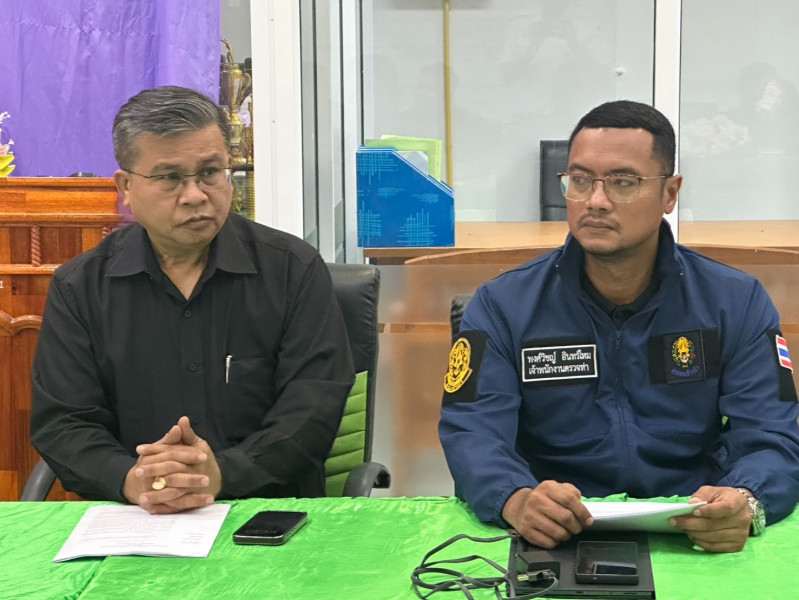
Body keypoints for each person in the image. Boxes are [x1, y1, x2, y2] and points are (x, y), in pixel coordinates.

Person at [439, 100, 799, 553]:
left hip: (693, 526)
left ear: (670, 194)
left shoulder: (735, 301)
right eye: (580, 180)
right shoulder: (503, 305)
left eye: (623, 183)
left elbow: (773, 435)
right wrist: (515, 498)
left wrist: (746, 499)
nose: (595, 200)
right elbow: (472, 432)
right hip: (553, 532)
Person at [30, 85, 354, 514]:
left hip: (266, 513)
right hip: (137, 518)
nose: (196, 195)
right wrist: (132, 479)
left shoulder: (293, 270)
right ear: (126, 187)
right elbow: (64, 422)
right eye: (169, 177)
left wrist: (221, 474)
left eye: (210, 172)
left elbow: (314, 407)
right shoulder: (80, 287)